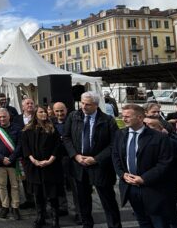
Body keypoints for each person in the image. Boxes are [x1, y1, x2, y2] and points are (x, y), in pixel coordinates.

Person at [62, 91, 122, 228]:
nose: (83, 106)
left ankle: (114, 225)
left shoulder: (108, 120)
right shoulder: (73, 116)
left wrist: (96, 159)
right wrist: (75, 155)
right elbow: (66, 137)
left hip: (100, 167)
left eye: (87, 104)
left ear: (96, 105)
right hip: (80, 166)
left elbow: (114, 144)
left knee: (108, 201)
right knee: (83, 201)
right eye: (82, 103)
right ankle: (87, 224)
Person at [112, 104, 173, 228]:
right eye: (123, 116)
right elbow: (116, 156)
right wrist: (122, 174)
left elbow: (165, 163)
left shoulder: (159, 137)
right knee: (143, 222)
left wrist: (144, 178)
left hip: (153, 188)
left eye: (128, 116)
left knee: (159, 222)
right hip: (130, 187)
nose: (124, 119)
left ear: (140, 118)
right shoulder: (120, 134)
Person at [23, 105, 63, 228]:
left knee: (52, 194)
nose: (44, 114)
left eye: (45, 112)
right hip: (34, 167)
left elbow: (58, 147)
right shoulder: (28, 130)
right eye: (41, 112)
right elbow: (26, 148)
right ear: (35, 114)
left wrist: (50, 160)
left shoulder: (52, 129)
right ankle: (40, 216)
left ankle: (55, 219)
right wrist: (33, 160)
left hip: (51, 167)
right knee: (38, 194)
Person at [144, 117, 177, 228]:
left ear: (161, 128)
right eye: (145, 124)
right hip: (148, 185)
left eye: (151, 125)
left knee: (170, 215)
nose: (147, 127)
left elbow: (176, 164)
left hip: (166, 185)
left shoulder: (171, 142)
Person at [0, 108, 22, 220]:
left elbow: (19, 145)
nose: (2, 119)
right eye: (0, 117)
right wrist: (1, 158)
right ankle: (5, 206)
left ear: (9, 117)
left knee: (15, 185)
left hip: (13, 162)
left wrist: (11, 158)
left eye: (4, 116)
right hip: (0, 162)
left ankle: (15, 207)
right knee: (1, 185)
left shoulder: (17, 128)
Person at [52, 102, 80, 223]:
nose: (59, 113)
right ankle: (63, 207)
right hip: (57, 160)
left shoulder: (73, 121)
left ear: (66, 110)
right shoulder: (50, 123)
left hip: (71, 159)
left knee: (75, 187)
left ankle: (79, 212)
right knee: (59, 185)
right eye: (57, 111)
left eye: (61, 110)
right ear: (53, 112)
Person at [15, 98, 36, 210]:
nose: (30, 105)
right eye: (27, 103)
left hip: (37, 153)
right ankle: (29, 200)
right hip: (23, 153)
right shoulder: (17, 119)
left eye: (32, 103)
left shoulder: (39, 117)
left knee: (36, 178)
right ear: (23, 107)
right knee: (24, 178)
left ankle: (39, 201)